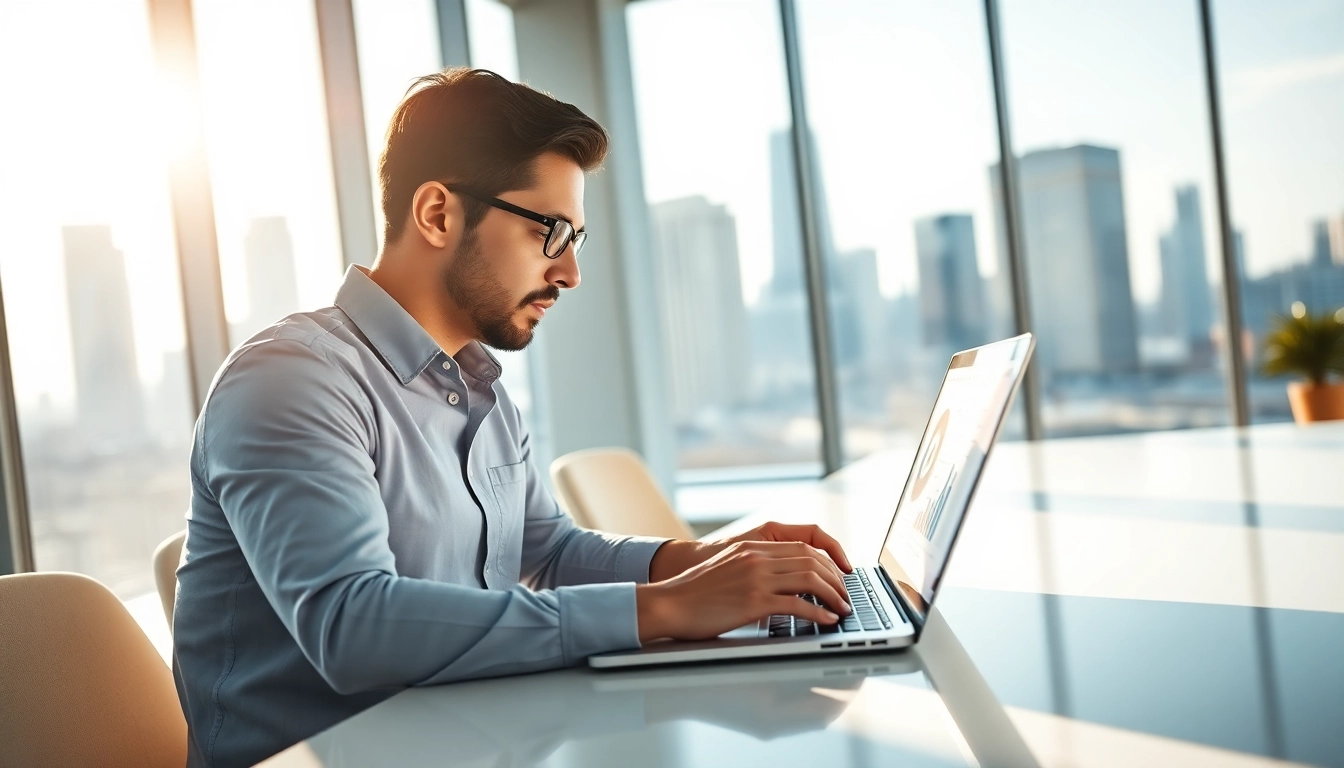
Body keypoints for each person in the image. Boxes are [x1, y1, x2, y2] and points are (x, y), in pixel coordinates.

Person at [172, 68, 853, 768]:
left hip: (466, 740)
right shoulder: (292, 379)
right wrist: (668, 608)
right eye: (549, 232)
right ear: (437, 214)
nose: (569, 274)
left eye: (575, 240)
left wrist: (703, 563)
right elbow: (353, 626)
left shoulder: (479, 388)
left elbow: (546, 552)